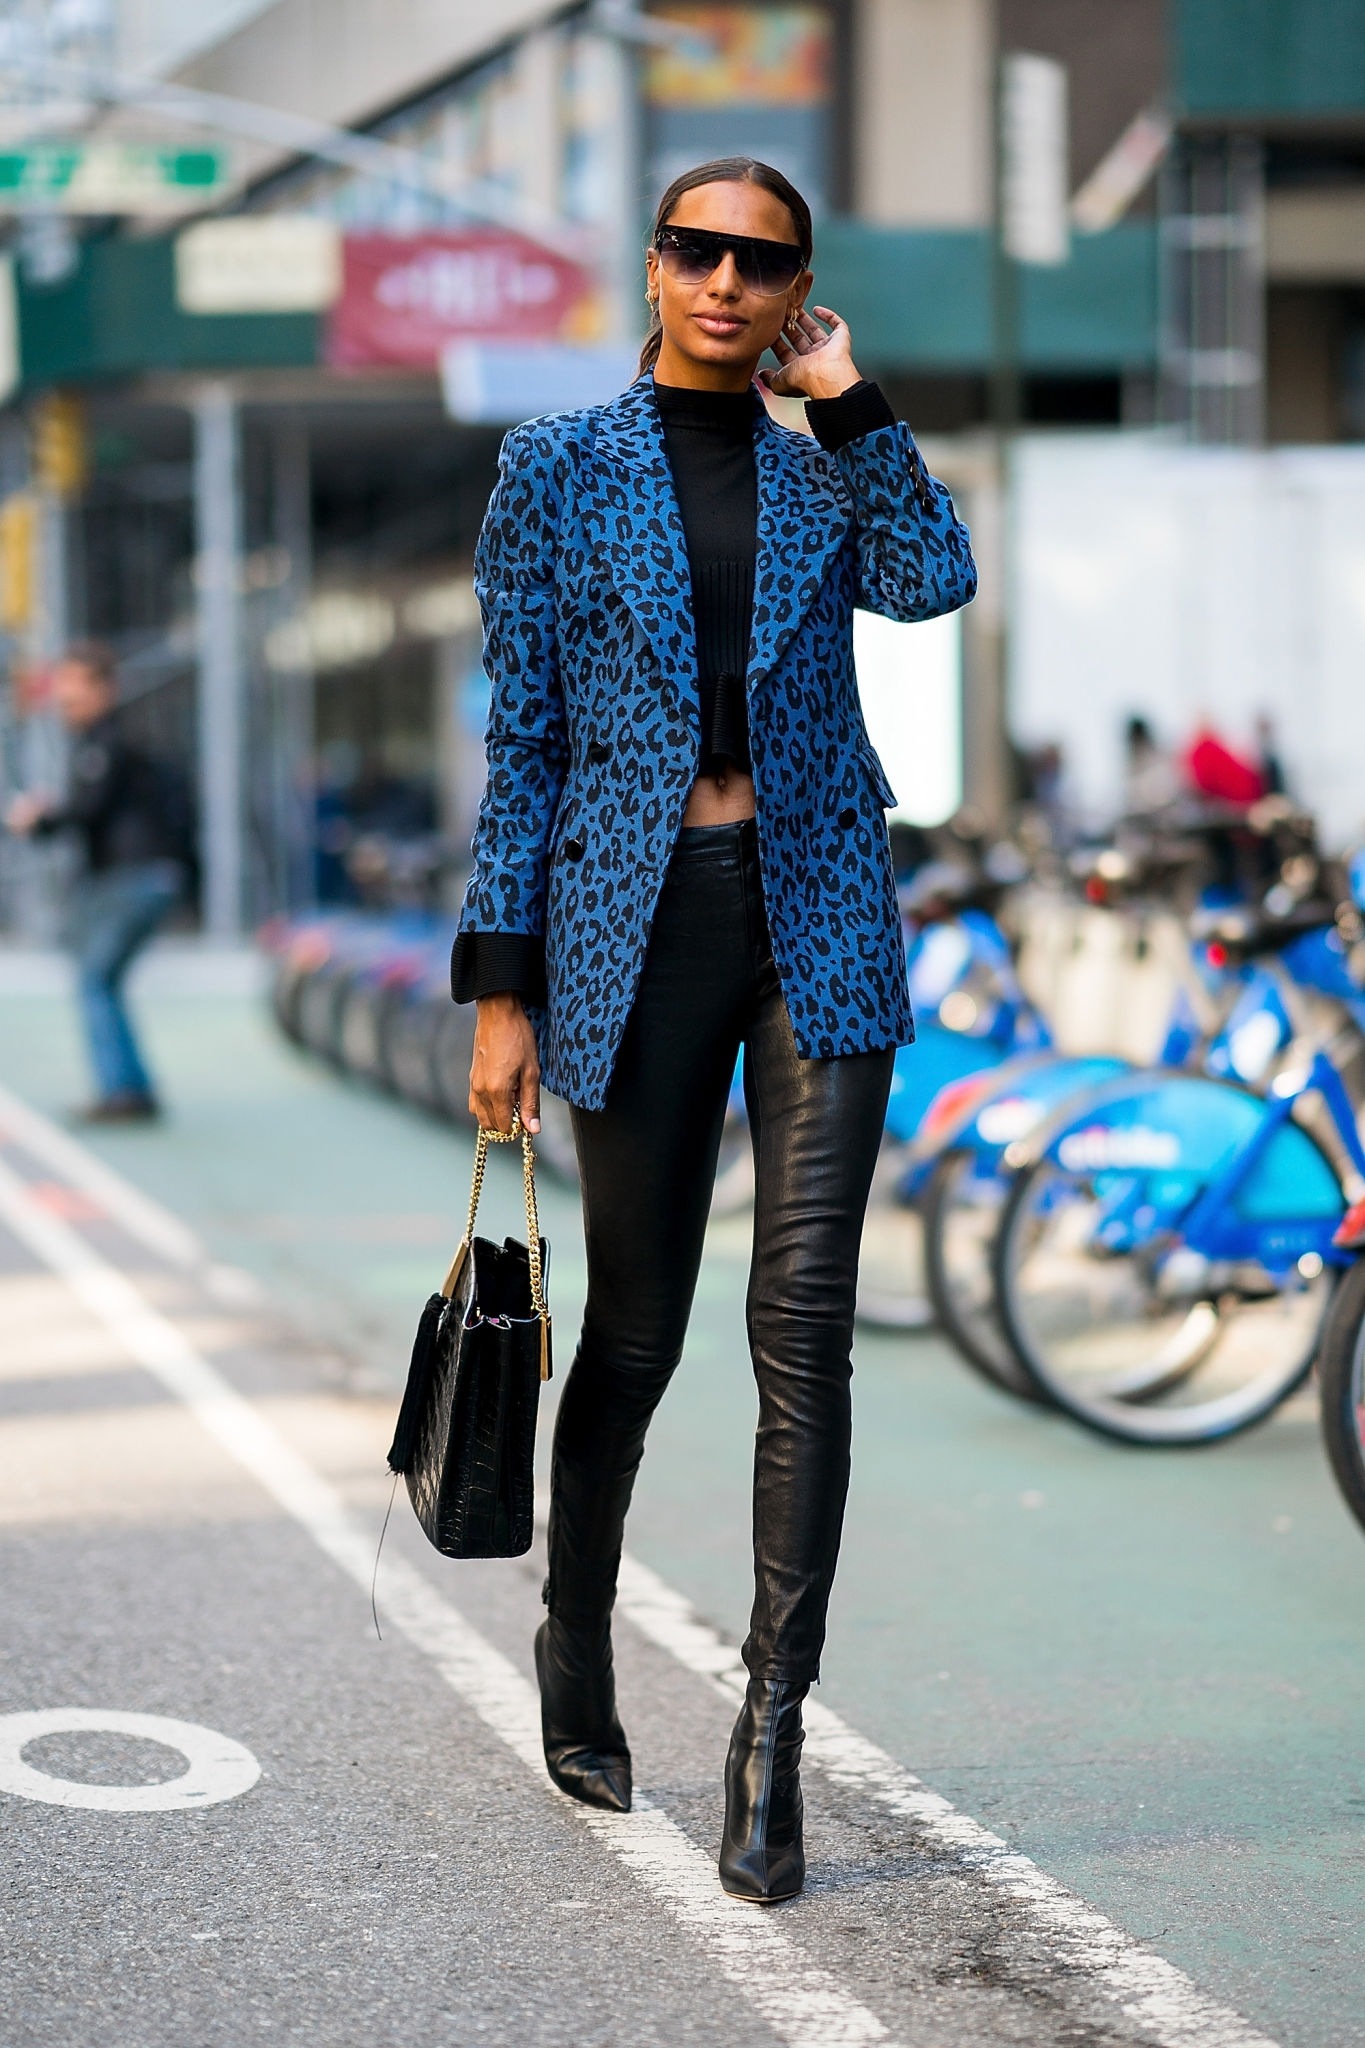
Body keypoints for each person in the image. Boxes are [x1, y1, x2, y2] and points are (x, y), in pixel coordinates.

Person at [451, 158, 977, 1902]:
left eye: (763, 262)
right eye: (699, 251)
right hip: (632, 924)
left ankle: (773, 1735)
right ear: (655, 264)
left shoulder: (825, 468)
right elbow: (522, 740)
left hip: (816, 909)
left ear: (799, 286)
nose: (727, 282)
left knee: (804, 1331)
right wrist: (501, 986)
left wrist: (858, 404)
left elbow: (934, 579)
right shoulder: (554, 465)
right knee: (642, 1334)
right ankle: (577, 1634)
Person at [4, 643, 192, 1122]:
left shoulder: (107, 742)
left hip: (134, 878)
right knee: (102, 981)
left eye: (75, 684)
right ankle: (132, 1086)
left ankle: (124, 1092)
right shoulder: (98, 741)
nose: (64, 695)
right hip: (140, 877)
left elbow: (88, 809)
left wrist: (40, 818)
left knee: (94, 980)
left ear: (103, 689)